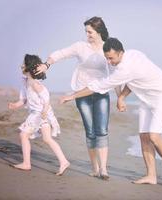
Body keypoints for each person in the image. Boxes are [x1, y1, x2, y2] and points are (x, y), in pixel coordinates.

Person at [60, 37, 162, 184]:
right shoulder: (134, 53)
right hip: (146, 99)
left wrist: (72, 96)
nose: (109, 62)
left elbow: (98, 86)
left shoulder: (124, 69)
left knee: (153, 136)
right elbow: (134, 81)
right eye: (106, 58)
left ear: (121, 53)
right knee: (144, 137)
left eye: (111, 58)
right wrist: (121, 97)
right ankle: (151, 176)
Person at [36, 17, 110, 180]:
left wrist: (121, 97)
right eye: (86, 31)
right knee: (91, 131)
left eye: (90, 32)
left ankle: (103, 169)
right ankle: (95, 168)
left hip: (102, 93)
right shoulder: (80, 47)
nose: (87, 34)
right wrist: (46, 64)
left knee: (102, 131)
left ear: (99, 31)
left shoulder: (107, 48)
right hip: (81, 93)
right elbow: (60, 54)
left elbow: (115, 72)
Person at [8, 54, 70, 175]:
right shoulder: (26, 82)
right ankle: (64, 161)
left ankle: (26, 163)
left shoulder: (34, 84)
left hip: (39, 114)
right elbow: (24, 99)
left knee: (23, 135)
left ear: (30, 68)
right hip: (42, 114)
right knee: (47, 138)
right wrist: (15, 105)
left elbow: (46, 97)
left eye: (24, 64)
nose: (21, 65)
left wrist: (44, 111)